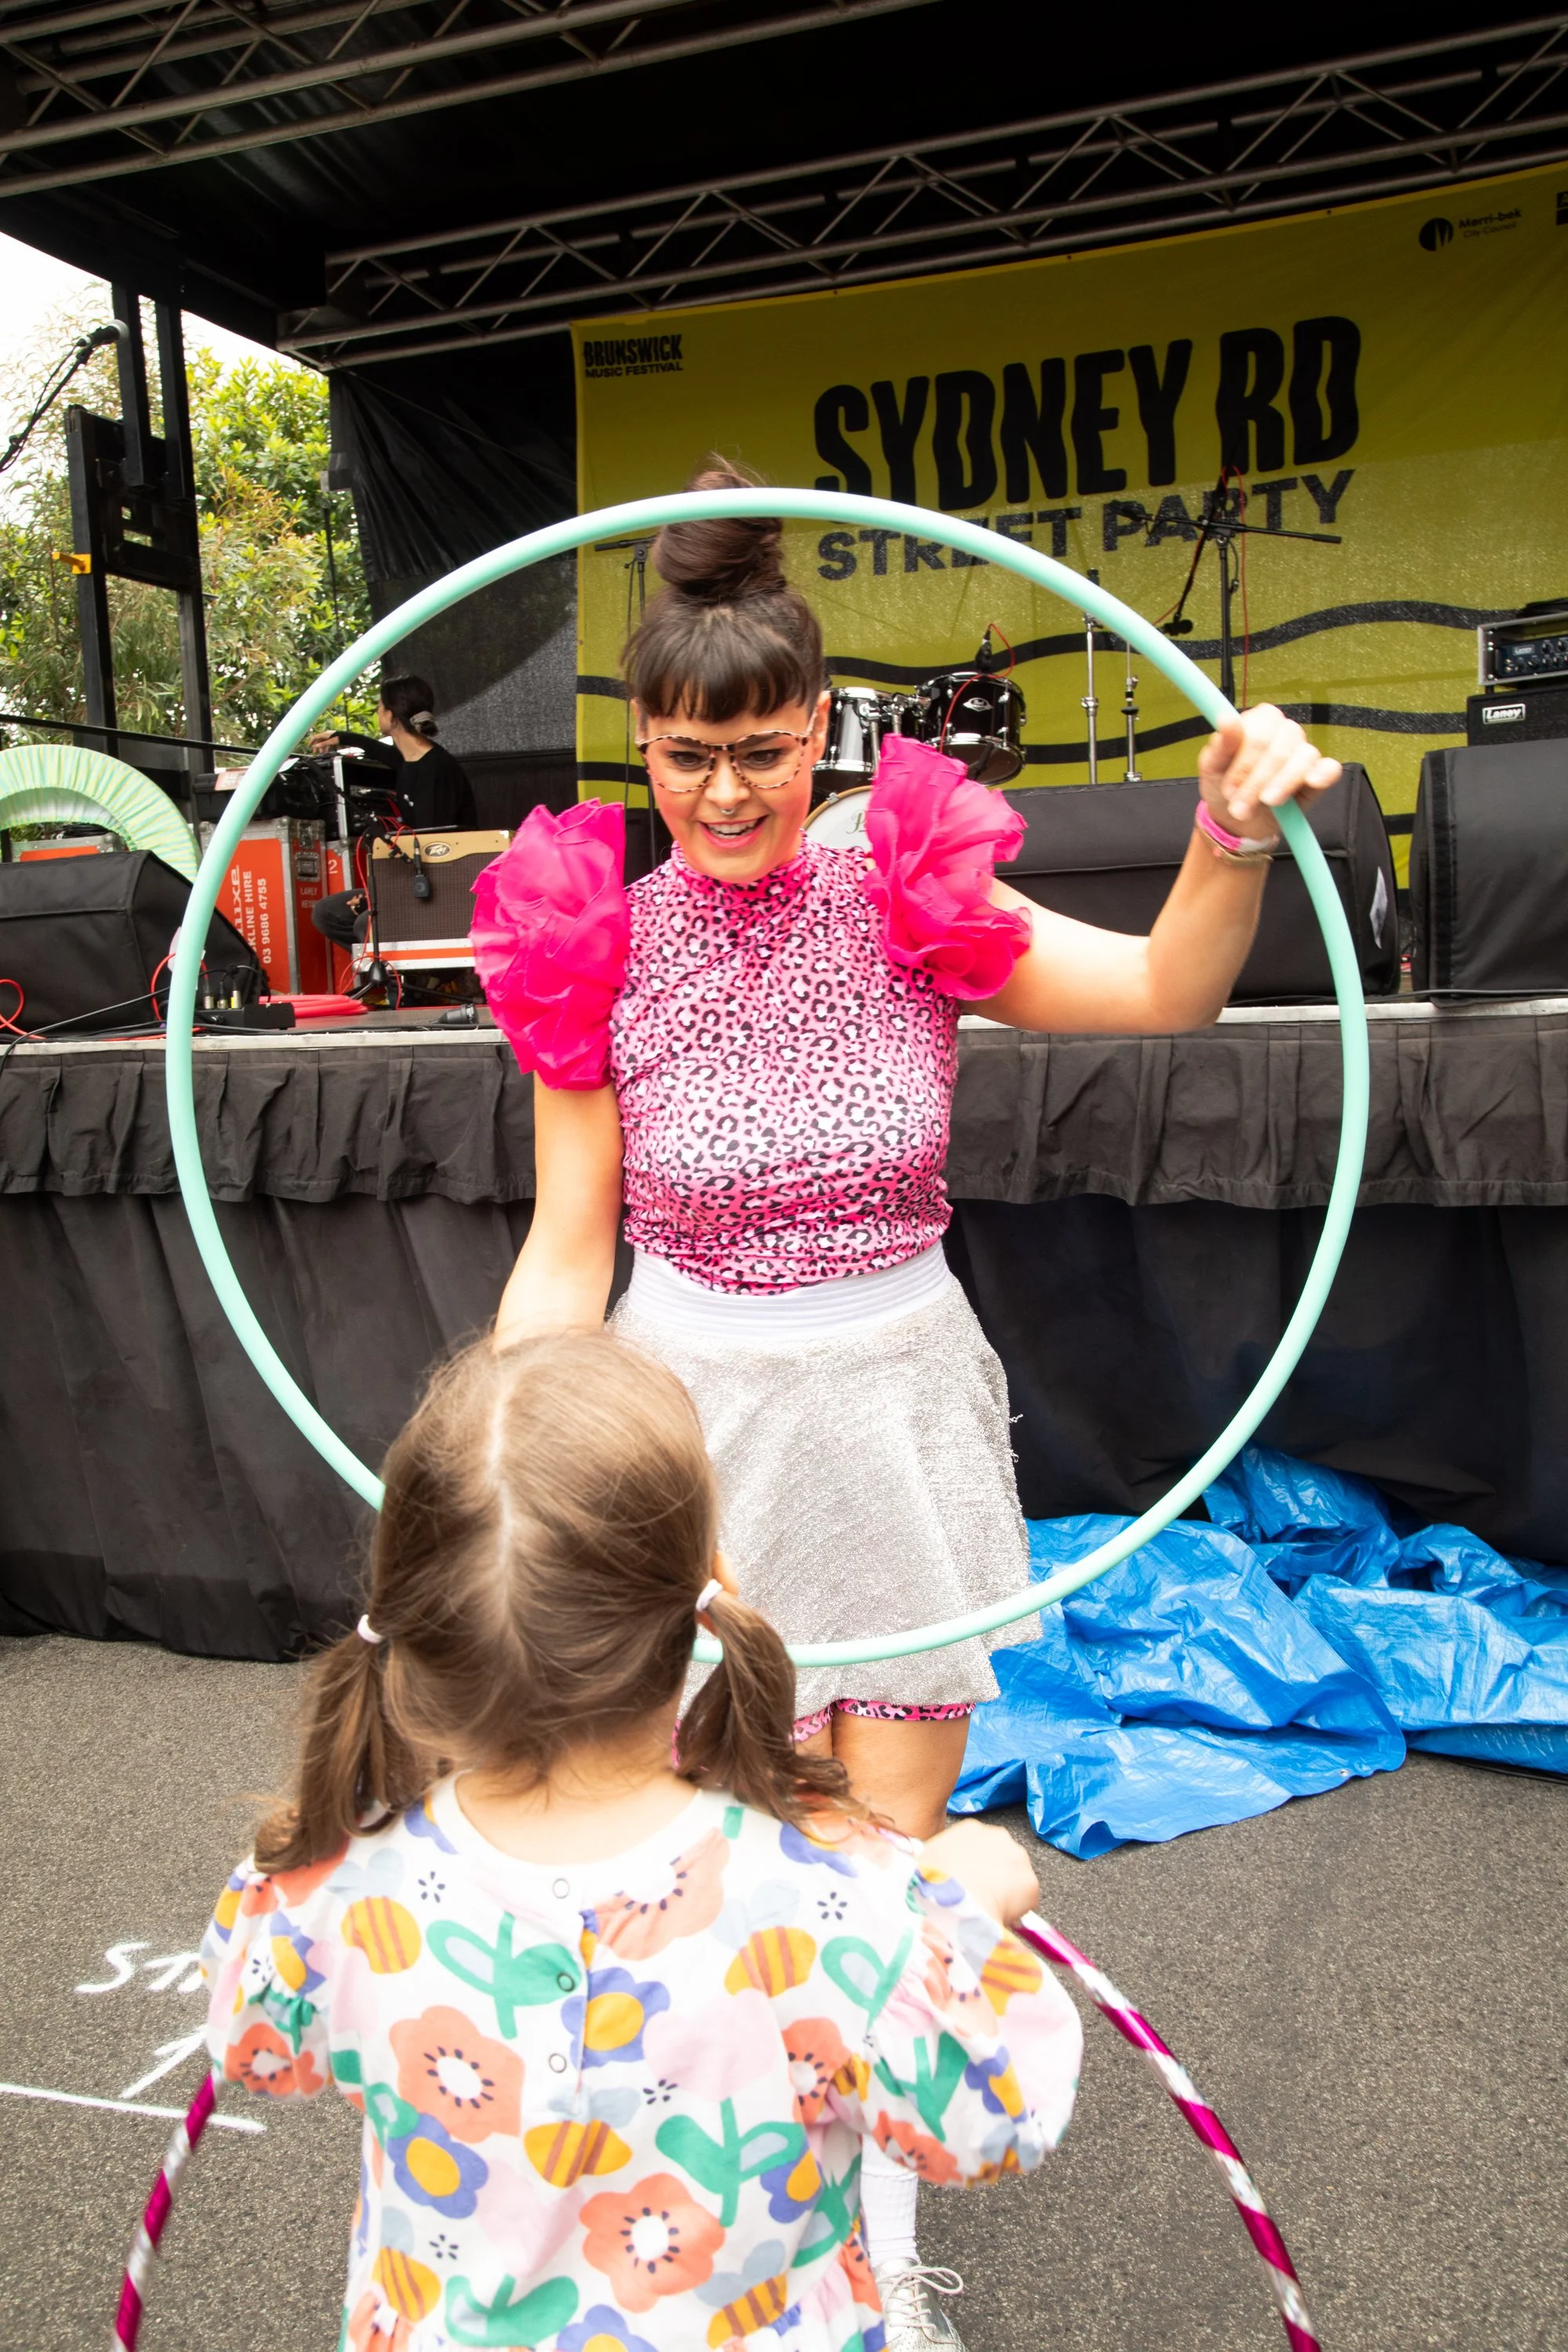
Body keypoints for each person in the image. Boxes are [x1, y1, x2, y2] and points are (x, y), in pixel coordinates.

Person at [471, 456, 1336, 2303]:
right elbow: (565, 1246)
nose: (725, 794)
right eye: (686, 756)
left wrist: (1228, 828)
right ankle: (696, 2229)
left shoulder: (902, 892)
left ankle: (868, 2252)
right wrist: (493, 1452)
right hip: (691, 1440)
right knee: (702, 1877)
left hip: (898, 1422)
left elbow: (1165, 991)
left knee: (879, 1871)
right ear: (640, 744)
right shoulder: (591, 942)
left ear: (822, 731)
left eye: (764, 751)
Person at [202, 1330, 1083, 2352]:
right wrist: (958, 1922)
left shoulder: (334, 1889)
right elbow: (991, 2127)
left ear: (405, 1619)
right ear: (710, 1591)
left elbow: (258, 2052)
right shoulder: (832, 1901)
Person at [310, 673, 478, 950]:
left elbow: (434, 855)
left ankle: (409, 977)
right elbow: (384, 752)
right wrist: (342, 737)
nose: (377, 711)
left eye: (379, 706)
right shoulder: (410, 759)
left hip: (441, 887)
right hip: (414, 877)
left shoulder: (436, 772)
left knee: (365, 923)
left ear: (391, 716)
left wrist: (379, 897)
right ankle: (393, 971)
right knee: (327, 912)